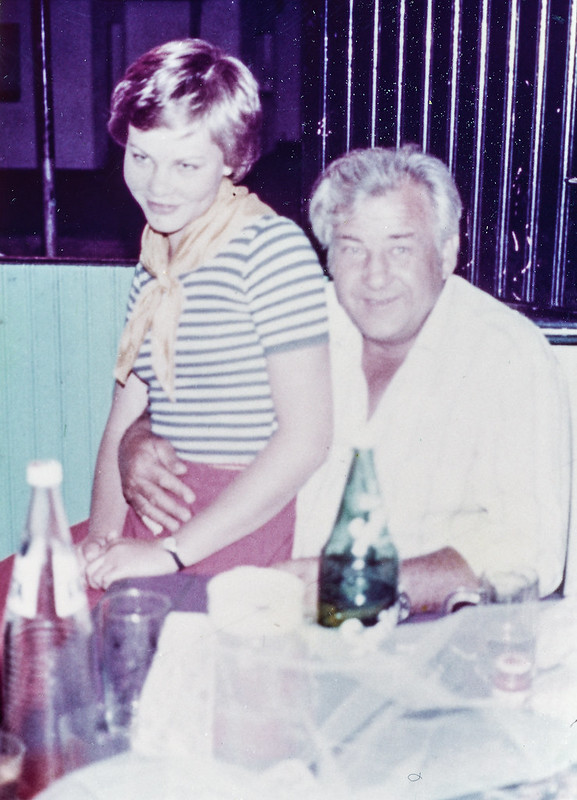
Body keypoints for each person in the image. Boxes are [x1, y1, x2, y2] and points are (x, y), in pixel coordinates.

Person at [118, 145, 571, 616]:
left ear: (447, 251)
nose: (375, 276)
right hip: (280, 611)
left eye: (400, 248)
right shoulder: (301, 320)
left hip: (429, 631)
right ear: (328, 255)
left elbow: (531, 551)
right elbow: (207, 395)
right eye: (353, 248)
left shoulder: (509, 356)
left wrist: (359, 581)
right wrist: (139, 439)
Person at [77, 38, 332, 591]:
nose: (157, 185)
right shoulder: (155, 263)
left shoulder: (271, 249)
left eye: (186, 164)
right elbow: (122, 421)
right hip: (156, 513)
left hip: (234, 526)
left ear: (233, 160)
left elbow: (307, 439)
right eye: (141, 156)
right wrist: (100, 545)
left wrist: (169, 554)